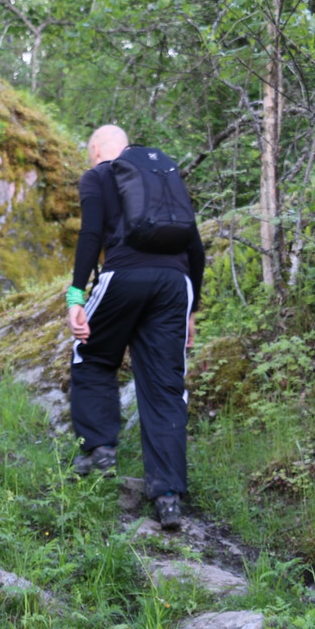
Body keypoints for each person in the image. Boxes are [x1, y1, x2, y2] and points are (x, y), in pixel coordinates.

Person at [66, 124, 206, 530]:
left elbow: (91, 233)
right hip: (175, 284)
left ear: (96, 150)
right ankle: (168, 496)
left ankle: (99, 450)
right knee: (165, 385)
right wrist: (192, 309)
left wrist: (76, 295)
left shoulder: (97, 175)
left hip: (123, 275)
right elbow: (195, 247)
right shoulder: (163, 177)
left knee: (92, 354)